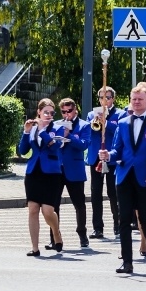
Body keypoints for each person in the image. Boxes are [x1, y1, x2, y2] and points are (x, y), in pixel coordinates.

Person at [98, 84, 146, 274]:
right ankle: (127, 262)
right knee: (124, 219)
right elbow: (117, 149)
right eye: (134, 99)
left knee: (145, 219)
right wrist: (108, 155)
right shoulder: (123, 122)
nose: (136, 102)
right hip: (124, 175)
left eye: (140, 99)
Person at [19, 98, 64, 256]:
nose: (49, 115)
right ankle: (35, 248)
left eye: (52, 113)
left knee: (47, 211)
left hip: (51, 173)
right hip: (33, 172)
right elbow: (23, 150)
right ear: (38, 112)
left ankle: (56, 232)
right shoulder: (31, 129)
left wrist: (44, 131)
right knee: (32, 209)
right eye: (46, 112)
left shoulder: (57, 128)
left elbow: (55, 147)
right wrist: (26, 132)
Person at [52, 98, 91, 248]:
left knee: (79, 204)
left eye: (69, 111)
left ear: (75, 110)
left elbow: (84, 145)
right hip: (57, 169)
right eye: (63, 111)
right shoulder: (56, 124)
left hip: (74, 169)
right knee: (54, 205)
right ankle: (55, 237)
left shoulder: (84, 125)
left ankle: (82, 234)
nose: (67, 114)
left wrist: (69, 136)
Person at [87, 87, 125, 239]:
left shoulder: (120, 114)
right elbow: (89, 131)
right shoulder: (92, 114)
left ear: (113, 99)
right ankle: (98, 228)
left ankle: (118, 224)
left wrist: (106, 123)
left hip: (111, 157)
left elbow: (119, 131)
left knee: (113, 193)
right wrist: (96, 122)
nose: (105, 100)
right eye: (102, 98)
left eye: (108, 97)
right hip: (96, 156)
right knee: (95, 193)